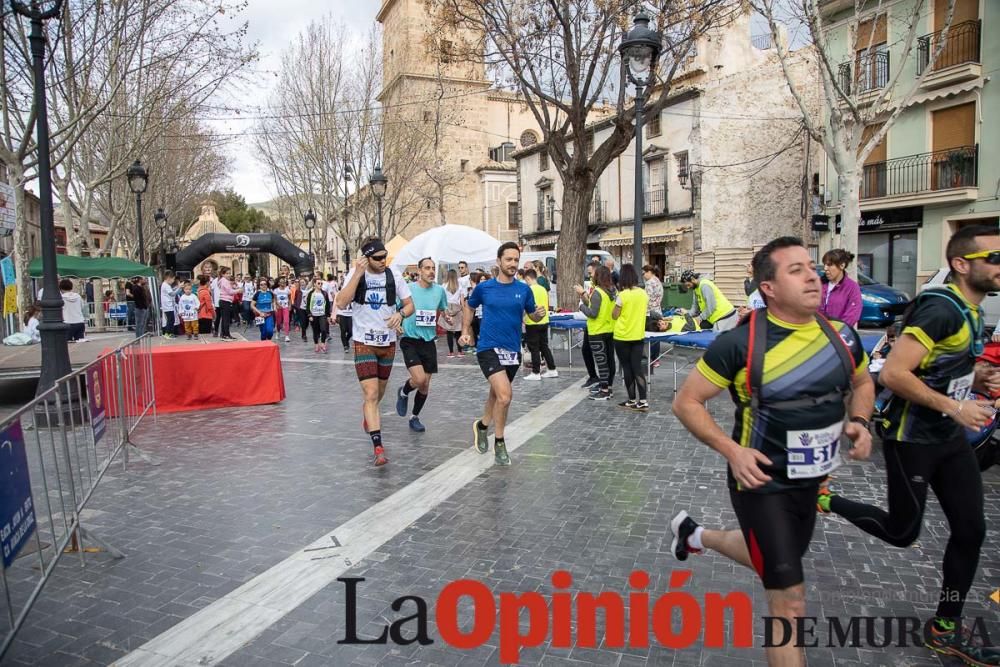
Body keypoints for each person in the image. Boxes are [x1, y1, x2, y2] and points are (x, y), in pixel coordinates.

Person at [669, 236, 874, 667]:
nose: (813, 276)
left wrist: (859, 421)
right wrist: (731, 451)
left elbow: (862, 383)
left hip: (812, 482)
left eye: (812, 267)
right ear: (769, 287)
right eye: (795, 270)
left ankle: (695, 535)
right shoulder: (741, 343)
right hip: (760, 482)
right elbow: (686, 401)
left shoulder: (842, 336)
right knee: (790, 601)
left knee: (778, 560)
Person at [817, 225, 1000, 666]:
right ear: (961, 264)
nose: (999, 267)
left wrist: (973, 379)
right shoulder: (941, 310)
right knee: (903, 532)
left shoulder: (973, 311)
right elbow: (895, 374)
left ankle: (944, 629)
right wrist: (956, 409)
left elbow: (937, 367)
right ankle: (825, 499)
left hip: (947, 438)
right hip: (911, 438)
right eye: (993, 259)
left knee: (972, 530)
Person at [460, 242, 546, 466]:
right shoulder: (485, 288)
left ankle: (481, 426)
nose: (513, 264)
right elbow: (469, 306)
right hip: (488, 347)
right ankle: (499, 441)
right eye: (508, 259)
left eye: (516, 260)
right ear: (498, 261)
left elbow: (532, 317)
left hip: (512, 351)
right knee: (505, 396)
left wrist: (538, 314)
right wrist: (465, 331)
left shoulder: (523, 289)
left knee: (496, 395)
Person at [334, 238, 414, 467]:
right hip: (363, 342)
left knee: (378, 395)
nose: (382, 261)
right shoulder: (356, 275)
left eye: (384, 256)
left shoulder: (394, 276)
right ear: (366, 258)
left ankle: (369, 413)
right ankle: (378, 447)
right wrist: (357, 275)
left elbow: (410, 305)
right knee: (370, 395)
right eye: (377, 258)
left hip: (387, 342)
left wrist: (401, 314)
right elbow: (340, 302)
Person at [394, 257, 450, 432]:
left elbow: (440, 309)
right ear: (419, 270)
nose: (431, 271)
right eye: (427, 268)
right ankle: (403, 392)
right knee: (419, 379)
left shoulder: (440, 291)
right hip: (410, 339)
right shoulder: (408, 289)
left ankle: (414, 417)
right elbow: (396, 309)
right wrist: (397, 324)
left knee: (425, 385)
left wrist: (445, 317)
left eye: (433, 268)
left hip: (428, 340)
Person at [611, 265, 649, 410]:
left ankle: (632, 399)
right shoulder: (643, 294)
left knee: (627, 368)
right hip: (638, 335)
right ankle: (643, 400)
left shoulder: (623, 295)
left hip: (622, 336)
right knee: (637, 368)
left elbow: (614, 315)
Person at [575, 265, 616, 400]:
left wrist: (581, 306)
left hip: (597, 331)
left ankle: (604, 391)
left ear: (598, 276)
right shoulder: (612, 291)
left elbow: (593, 313)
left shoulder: (598, 292)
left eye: (593, 274)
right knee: (610, 360)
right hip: (609, 329)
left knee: (601, 361)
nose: (591, 276)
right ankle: (608, 387)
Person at [522, 268, 558, 380]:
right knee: (544, 346)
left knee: (534, 348)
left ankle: (536, 372)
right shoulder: (543, 289)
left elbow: (526, 306)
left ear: (528, 278)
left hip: (532, 322)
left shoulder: (528, 290)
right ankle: (552, 369)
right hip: (544, 320)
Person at [818, 248, 862, 328]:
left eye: (829, 265)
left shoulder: (852, 288)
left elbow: (851, 316)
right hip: (814, 333)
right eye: (824, 264)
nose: (825, 268)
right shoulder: (818, 284)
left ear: (842, 265)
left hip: (836, 336)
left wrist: (835, 332)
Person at [643, 265, 664, 368]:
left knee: (650, 337)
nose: (643, 275)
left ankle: (651, 359)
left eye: (644, 273)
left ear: (649, 272)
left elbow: (647, 299)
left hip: (650, 312)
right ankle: (656, 359)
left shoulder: (649, 283)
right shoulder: (657, 281)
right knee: (656, 337)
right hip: (658, 311)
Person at [304, 276, 332, 352]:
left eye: (321, 283)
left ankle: (322, 343)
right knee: (315, 331)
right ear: (315, 284)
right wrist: (309, 315)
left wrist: (328, 315)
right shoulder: (311, 293)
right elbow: (308, 305)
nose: (320, 285)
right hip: (314, 315)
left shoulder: (324, 293)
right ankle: (316, 344)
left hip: (322, 314)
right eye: (318, 283)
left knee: (324, 329)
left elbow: (327, 305)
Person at [442, 269, 464, 358]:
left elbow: (442, 299)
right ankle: (460, 351)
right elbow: (462, 301)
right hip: (457, 309)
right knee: (458, 331)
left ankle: (451, 352)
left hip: (447, 308)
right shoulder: (460, 286)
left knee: (449, 332)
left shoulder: (443, 286)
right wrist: (462, 309)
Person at [217, 267, 236, 340]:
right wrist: (238, 290)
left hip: (223, 301)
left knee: (224, 319)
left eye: (229, 273)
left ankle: (223, 334)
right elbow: (230, 291)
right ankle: (226, 334)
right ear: (223, 274)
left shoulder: (222, 280)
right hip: (225, 301)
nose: (229, 275)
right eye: (227, 273)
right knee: (226, 319)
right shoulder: (225, 281)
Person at [159, 271, 179, 338]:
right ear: (168, 278)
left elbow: (171, 291)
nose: (173, 281)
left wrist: (177, 287)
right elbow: (172, 293)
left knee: (171, 320)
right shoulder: (166, 285)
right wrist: (179, 288)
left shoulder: (165, 285)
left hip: (168, 305)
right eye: (173, 279)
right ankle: (167, 333)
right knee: (170, 320)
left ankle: (170, 333)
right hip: (168, 306)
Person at [335, 286, 353, 352]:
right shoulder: (340, 293)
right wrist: (334, 316)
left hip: (351, 314)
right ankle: (345, 346)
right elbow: (335, 304)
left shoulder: (353, 292)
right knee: (343, 330)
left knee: (351, 332)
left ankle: (346, 340)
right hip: (342, 314)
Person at [273, 277, 292, 342]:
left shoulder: (287, 290)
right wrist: (277, 305)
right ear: (278, 283)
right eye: (281, 282)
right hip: (279, 308)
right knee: (278, 322)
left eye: (283, 282)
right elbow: (275, 299)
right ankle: (278, 332)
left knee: (286, 321)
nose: (282, 283)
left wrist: (289, 306)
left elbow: (289, 299)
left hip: (285, 307)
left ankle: (286, 335)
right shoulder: (276, 290)